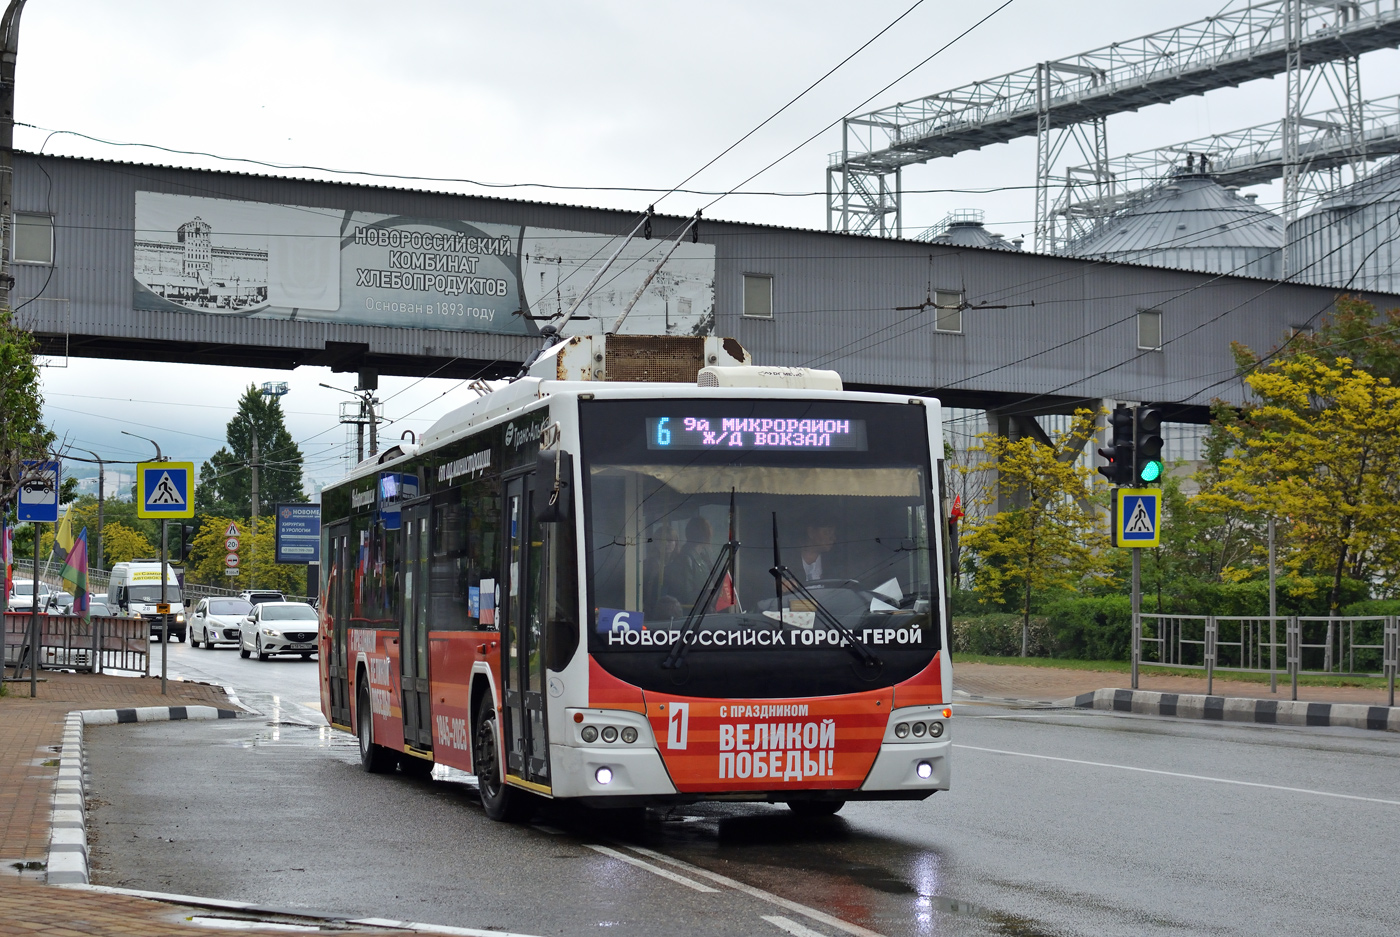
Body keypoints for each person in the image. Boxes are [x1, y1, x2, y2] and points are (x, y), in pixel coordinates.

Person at [664, 516, 714, 605]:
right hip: (692, 613)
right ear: (706, 534)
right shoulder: (686, 559)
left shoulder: (703, 557)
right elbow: (686, 595)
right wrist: (707, 594)